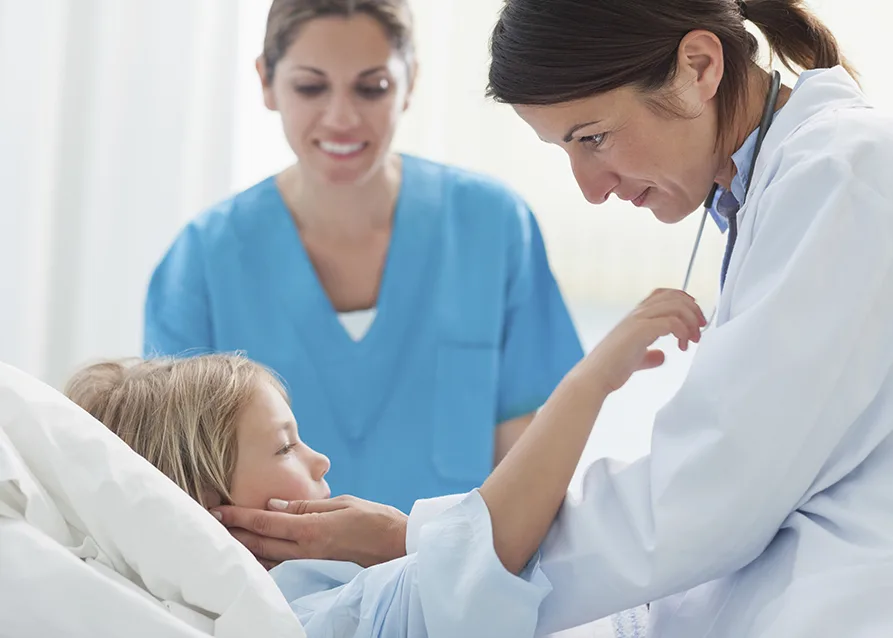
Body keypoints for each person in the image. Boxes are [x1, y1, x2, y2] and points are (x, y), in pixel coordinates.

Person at [216, 1, 893, 636]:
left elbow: (709, 498)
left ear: (698, 68)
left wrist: (421, 544)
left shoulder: (839, 172)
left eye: (593, 137)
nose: (589, 189)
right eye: (564, 150)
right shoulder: (783, 185)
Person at [142, 0, 582, 516]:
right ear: (266, 81)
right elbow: (176, 494)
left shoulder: (492, 227)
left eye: (371, 88)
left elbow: (532, 464)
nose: (342, 117)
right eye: (311, 87)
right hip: (270, 590)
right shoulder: (203, 262)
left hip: (454, 583)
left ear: (410, 81)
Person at [67, 290, 703, 637]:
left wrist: (395, 543)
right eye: (286, 445)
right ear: (208, 508)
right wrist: (590, 383)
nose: (319, 458)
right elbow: (486, 550)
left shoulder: (320, 590)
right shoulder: (297, 622)